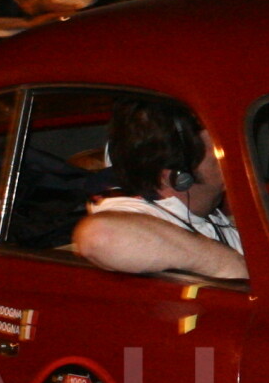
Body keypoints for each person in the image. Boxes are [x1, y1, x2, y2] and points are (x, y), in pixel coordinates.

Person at [74, 96, 247, 280]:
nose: (232, 163)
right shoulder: (134, 214)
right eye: (219, 156)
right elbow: (102, 236)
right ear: (178, 177)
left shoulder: (201, 213)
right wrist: (227, 265)